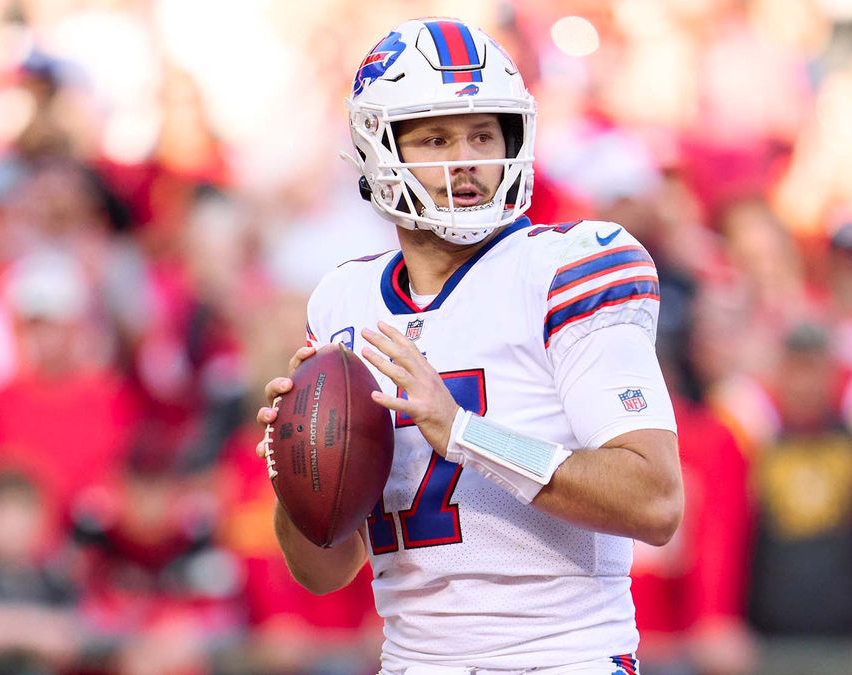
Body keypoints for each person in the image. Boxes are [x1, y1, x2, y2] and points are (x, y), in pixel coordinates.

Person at [253, 18, 682, 674]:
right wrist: (297, 466)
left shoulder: (570, 267)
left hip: (563, 659)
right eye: (436, 138)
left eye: (484, 133)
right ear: (379, 149)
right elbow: (323, 570)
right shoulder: (342, 301)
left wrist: (464, 433)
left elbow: (654, 501)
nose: (468, 158)